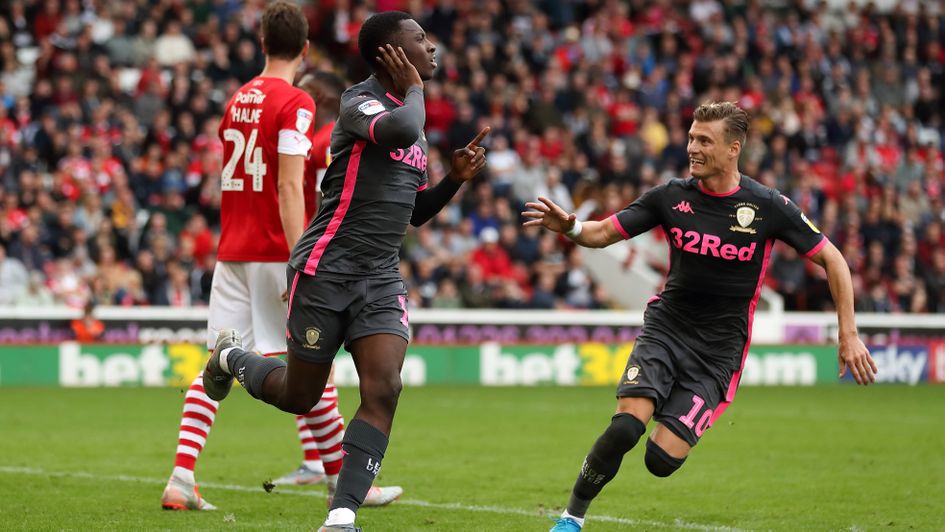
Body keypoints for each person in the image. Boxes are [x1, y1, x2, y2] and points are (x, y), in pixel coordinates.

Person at [521, 102, 878, 532]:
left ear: (733, 148)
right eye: (691, 137)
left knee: (660, 460)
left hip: (718, 352)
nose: (692, 147)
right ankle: (571, 517)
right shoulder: (670, 196)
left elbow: (834, 261)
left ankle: (672, 410)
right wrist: (573, 228)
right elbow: (603, 233)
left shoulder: (767, 206)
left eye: (704, 140)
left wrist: (848, 334)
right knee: (624, 429)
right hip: (666, 330)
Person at [201, 11, 489, 531]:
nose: (432, 48)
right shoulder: (361, 104)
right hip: (325, 268)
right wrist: (416, 90)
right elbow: (404, 124)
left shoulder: (414, 131)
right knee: (299, 396)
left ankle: (341, 516)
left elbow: (416, 213)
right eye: (420, 40)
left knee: (385, 388)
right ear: (390, 54)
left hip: (378, 278)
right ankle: (230, 357)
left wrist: (454, 181)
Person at [160, 3, 398, 511]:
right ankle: (344, 482)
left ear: (263, 43)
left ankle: (181, 477)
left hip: (232, 249)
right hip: (274, 250)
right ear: (306, 48)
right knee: (312, 366)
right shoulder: (295, 102)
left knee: (218, 360)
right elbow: (290, 185)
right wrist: (300, 259)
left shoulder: (236, 99)